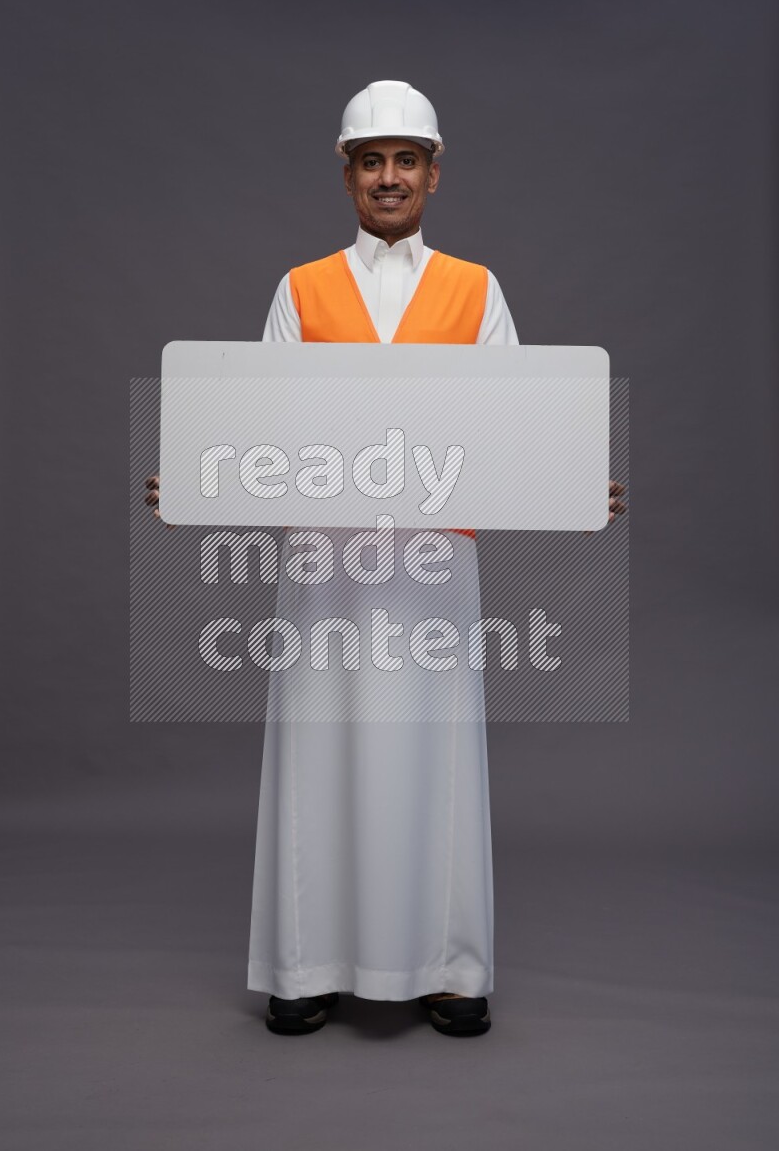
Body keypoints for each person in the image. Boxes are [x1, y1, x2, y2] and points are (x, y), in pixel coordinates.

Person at [145, 80, 626, 1038]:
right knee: (317, 750)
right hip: (324, 567)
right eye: (373, 161)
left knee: (433, 755)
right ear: (348, 176)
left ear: (434, 175)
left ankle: (447, 969)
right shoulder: (301, 288)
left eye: (407, 160)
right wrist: (200, 479)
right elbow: (261, 428)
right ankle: (306, 964)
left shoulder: (477, 289)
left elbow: (515, 425)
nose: (390, 177)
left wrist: (574, 488)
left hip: (433, 569)